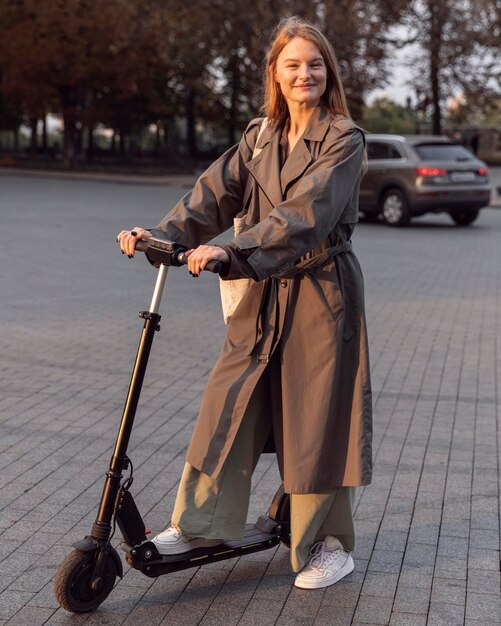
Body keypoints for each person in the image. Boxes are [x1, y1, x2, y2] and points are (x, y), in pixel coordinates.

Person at [117, 16, 372, 590]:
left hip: (320, 294)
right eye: (292, 65)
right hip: (259, 294)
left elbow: (307, 215)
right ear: (275, 75)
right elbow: (210, 194)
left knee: (315, 423)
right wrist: (162, 237)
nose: (305, 73)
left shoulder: (344, 139)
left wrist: (232, 250)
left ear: (327, 72)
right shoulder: (258, 137)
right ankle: (200, 524)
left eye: (314, 63)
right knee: (225, 403)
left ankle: (327, 545)